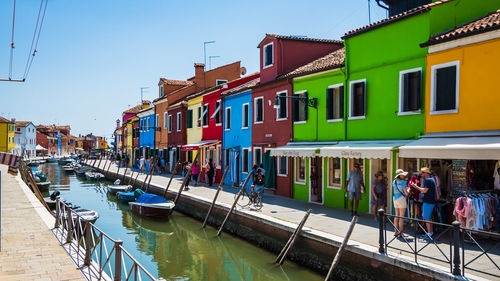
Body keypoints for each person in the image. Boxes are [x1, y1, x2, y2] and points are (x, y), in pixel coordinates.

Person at [411, 167, 436, 240]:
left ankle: (429, 233)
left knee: (426, 218)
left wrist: (416, 187)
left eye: (422, 173)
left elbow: (424, 190)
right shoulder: (431, 180)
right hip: (430, 202)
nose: (421, 175)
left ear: (425, 173)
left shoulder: (428, 181)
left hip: (428, 202)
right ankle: (430, 232)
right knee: (429, 218)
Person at [393, 169, 409, 237]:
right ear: (400, 175)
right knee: (401, 217)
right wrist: (409, 189)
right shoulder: (403, 182)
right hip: (401, 199)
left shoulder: (394, 181)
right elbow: (406, 193)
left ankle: (395, 232)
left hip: (395, 199)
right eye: (402, 174)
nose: (404, 175)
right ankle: (401, 233)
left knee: (396, 216)